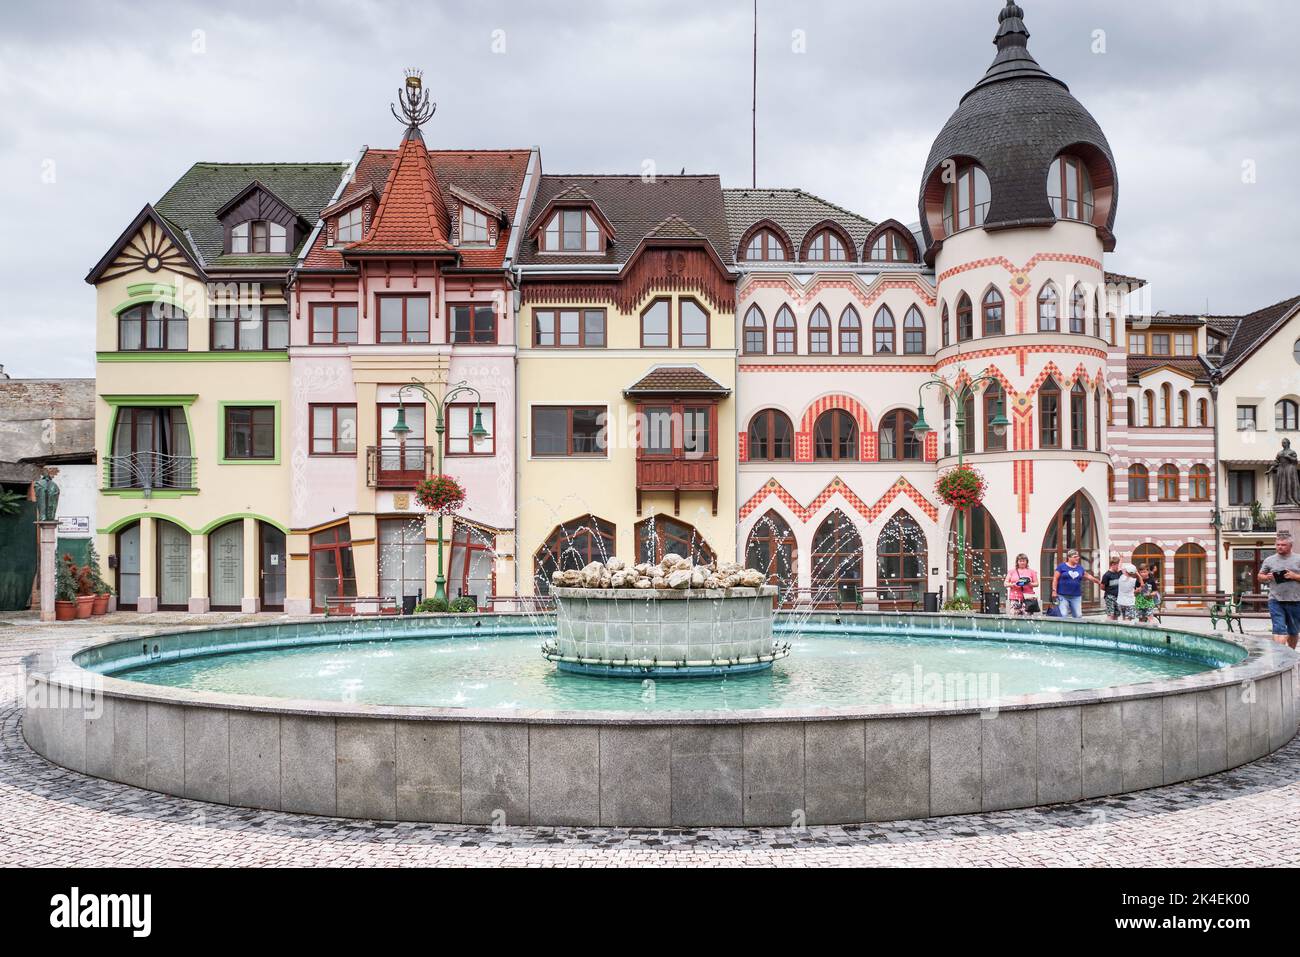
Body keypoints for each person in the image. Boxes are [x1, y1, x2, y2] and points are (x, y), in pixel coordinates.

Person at [1258, 530, 1300, 649]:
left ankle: (1290, 654)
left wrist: (1294, 576)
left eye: (1283, 545)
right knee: (1279, 630)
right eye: (1278, 545)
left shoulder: (1298, 559)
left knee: (1293, 631)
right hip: (1275, 600)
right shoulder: (1269, 560)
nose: (1279, 547)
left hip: (1296, 601)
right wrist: (1266, 577)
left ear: (1290, 546)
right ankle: (1279, 658)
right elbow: (1259, 576)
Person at [1051, 549, 1101, 619]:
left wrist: (1098, 582)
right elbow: (1055, 579)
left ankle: (1076, 629)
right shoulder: (1061, 567)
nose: (1077, 558)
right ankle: (1064, 629)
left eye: (1078, 556)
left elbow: (1089, 576)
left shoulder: (1080, 568)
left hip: (1076, 596)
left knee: (1078, 615)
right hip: (1062, 595)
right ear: (1069, 557)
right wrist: (1054, 591)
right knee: (1063, 614)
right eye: (1075, 557)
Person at [1099, 556, 1123, 620]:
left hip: (1118, 597)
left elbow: (1120, 566)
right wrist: (1110, 590)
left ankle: (1115, 628)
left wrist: (1121, 559)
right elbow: (1102, 587)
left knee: (1116, 614)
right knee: (1110, 614)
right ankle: (1108, 627)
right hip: (1109, 596)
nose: (1118, 567)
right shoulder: (1107, 575)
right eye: (1117, 565)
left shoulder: (1118, 573)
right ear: (1113, 564)